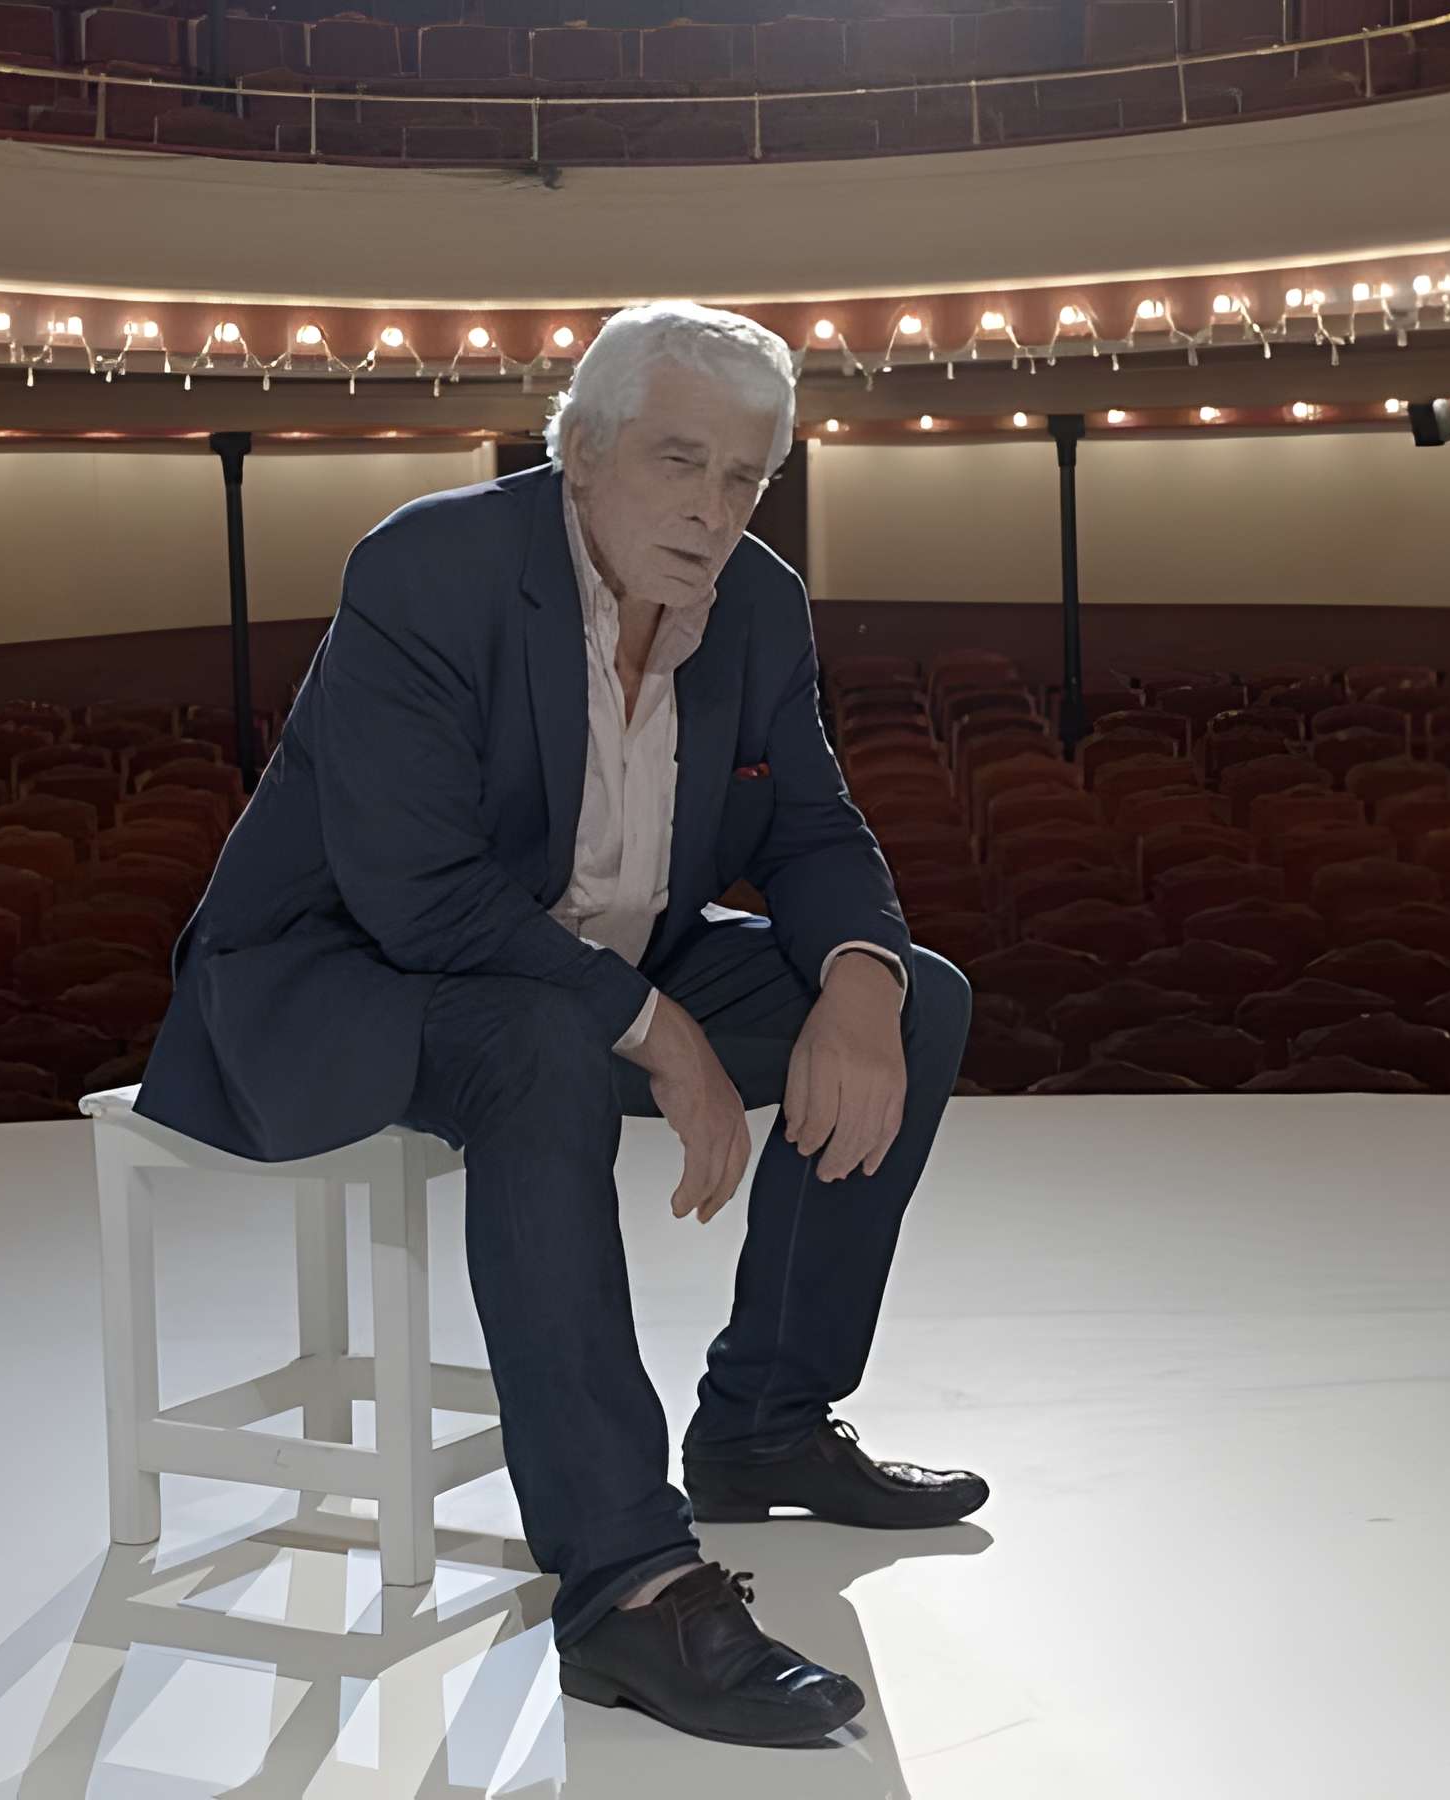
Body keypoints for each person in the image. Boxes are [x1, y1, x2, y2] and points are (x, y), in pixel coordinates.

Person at [134, 301, 985, 1746]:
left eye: (744, 476)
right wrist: (657, 1028)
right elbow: (417, 894)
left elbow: (812, 829)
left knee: (920, 994)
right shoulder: (429, 567)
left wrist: (860, 978)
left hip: (596, 954)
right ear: (582, 452)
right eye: (678, 462)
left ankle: (765, 1424)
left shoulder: (758, 600)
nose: (714, 509)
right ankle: (626, 1585)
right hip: (353, 972)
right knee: (540, 1044)